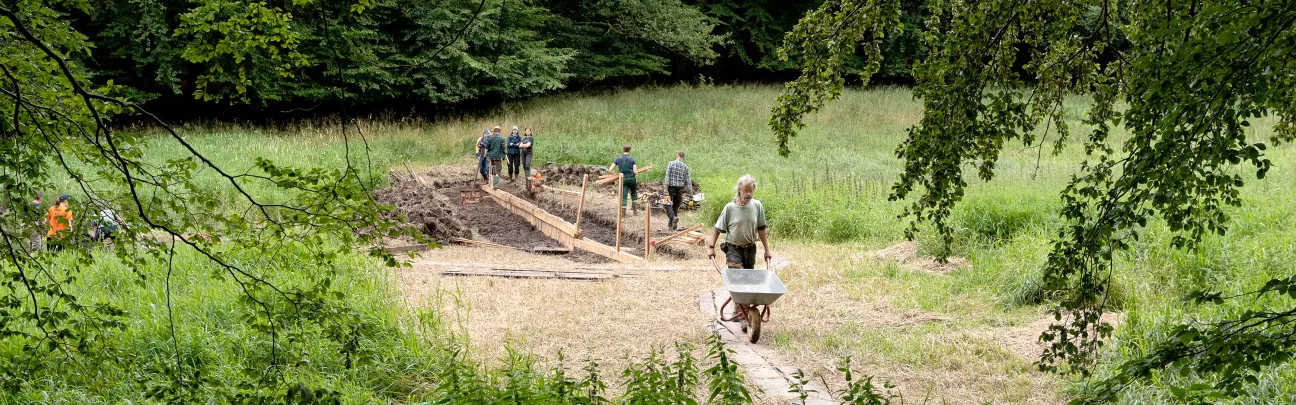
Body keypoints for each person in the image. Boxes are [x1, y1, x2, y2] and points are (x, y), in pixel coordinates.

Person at [706, 175, 771, 269]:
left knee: (748, 280)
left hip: (750, 249)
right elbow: (717, 229)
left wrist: (767, 250)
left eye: (751, 191)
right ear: (739, 190)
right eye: (745, 191)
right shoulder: (730, 208)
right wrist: (711, 247)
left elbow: (762, 229)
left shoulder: (757, 205)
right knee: (737, 275)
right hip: (733, 249)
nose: (748, 194)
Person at [664, 151, 694, 231]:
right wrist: (691, 193)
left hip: (671, 187)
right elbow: (688, 181)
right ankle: (671, 226)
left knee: (667, 204)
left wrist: (665, 189)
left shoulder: (670, 163)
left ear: (677, 156)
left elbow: (667, 176)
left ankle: (673, 218)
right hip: (680, 188)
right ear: (683, 157)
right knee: (675, 206)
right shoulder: (685, 167)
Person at [610, 145, 638, 214]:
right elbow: (635, 172)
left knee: (624, 196)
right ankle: (635, 212)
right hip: (631, 179)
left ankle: (623, 213)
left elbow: (610, 170)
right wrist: (633, 175)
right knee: (634, 194)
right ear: (629, 150)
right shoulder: (632, 159)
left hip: (623, 179)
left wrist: (616, 175)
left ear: (623, 150)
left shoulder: (618, 159)